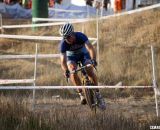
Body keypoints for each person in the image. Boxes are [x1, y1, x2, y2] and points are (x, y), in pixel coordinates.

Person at [59, 23, 106, 110]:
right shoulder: (63, 44)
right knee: (72, 71)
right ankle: (81, 94)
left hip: (83, 54)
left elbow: (90, 48)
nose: (67, 39)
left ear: (73, 33)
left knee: (89, 69)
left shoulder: (81, 36)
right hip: (72, 57)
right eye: (64, 38)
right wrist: (66, 70)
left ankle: (98, 95)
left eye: (68, 37)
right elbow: (63, 61)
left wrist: (93, 59)